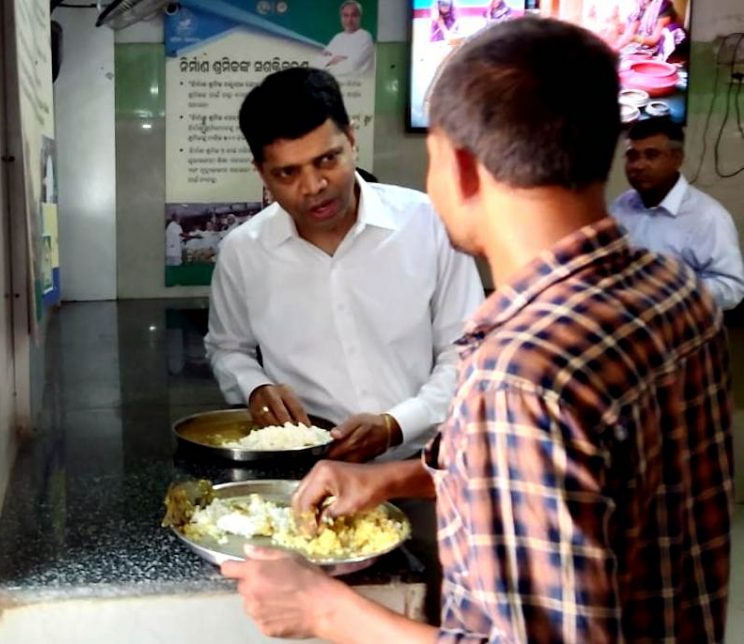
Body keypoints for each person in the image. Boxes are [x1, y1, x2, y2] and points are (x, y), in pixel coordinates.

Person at [221, 18, 733, 642]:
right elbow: (593, 483)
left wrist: (320, 610)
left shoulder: (519, 375)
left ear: (460, 167)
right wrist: (400, 476)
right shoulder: (678, 296)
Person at [205, 67, 483, 463]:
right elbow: (227, 348)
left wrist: (397, 424)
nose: (314, 186)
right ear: (262, 174)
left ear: (352, 140)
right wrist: (254, 387)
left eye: (327, 159)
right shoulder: (243, 252)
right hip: (309, 469)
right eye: (287, 173)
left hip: (430, 465)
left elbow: (468, 350)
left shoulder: (427, 223)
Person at [611, 117, 744, 311]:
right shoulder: (621, 205)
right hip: (623, 325)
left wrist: (666, 292)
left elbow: (732, 288)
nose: (639, 165)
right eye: (632, 156)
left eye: (651, 155)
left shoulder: (708, 217)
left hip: (678, 332)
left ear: (677, 158)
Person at [313, 1, 375, 75]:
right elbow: (317, 62)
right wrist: (336, 59)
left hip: (355, 83)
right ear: (341, 18)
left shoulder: (365, 36)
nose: (349, 20)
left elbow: (352, 66)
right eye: (345, 15)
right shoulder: (338, 37)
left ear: (359, 17)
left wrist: (329, 61)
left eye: (354, 15)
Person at [615, 0, 686, 60]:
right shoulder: (639, 8)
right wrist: (614, 49)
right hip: (645, 44)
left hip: (660, 44)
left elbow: (654, 40)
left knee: (672, 30)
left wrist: (634, 38)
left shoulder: (663, 6)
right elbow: (629, 33)